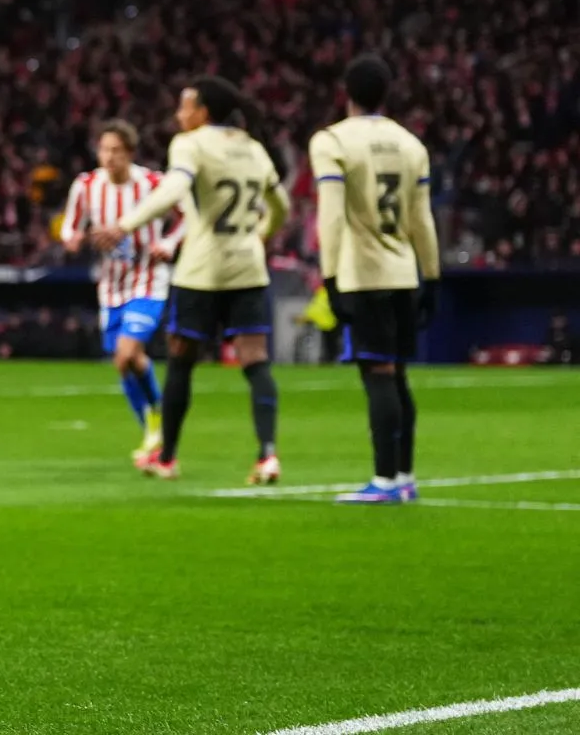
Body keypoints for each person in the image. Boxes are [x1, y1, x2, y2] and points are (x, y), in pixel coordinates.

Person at [93, 76, 289, 484]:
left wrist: (125, 224)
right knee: (255, 361)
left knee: (181, 362)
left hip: (202, 270)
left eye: (185, 106)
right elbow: (281, 205)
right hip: (248, 267)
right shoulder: (253, 147)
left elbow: (174, 188)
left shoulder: (191, 144)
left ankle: (167, 457)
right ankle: (268, 455)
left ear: (203, 112)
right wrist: (262, 236)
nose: (179, 114)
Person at [310, 54, 439, 504]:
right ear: (387, 93)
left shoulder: (332, 141)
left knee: (378, 375)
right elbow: (422, 219)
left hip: (363, 274)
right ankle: (404, 477)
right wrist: (433, 277)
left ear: (346, 91)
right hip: (405, 272)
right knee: (398, 375)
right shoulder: (411, 144)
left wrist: (329, 278)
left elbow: (329, 217)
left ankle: (384, 481)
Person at [59, 119, 185, 464]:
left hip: (148, 279)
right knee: (126, 362)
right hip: (110, 286)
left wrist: (169, 242)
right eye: (104, 149)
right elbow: (71, 225)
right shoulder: (86, 186)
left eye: (117, 150)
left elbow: (187, 216)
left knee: (127, 353)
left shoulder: (153, 183)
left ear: (130, 153)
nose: (109, 157)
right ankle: (153, 425)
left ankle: (156, 427)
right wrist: (71, 239)